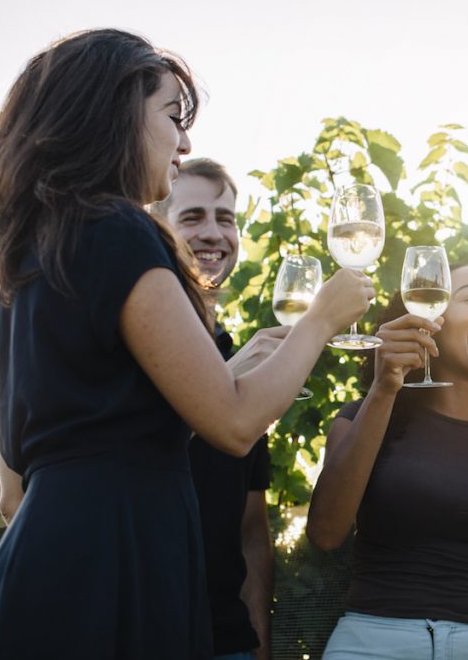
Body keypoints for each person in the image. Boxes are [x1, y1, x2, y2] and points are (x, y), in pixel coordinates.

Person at [0, 29, 374, 658]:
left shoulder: (23, 265)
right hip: (120, 567)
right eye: (172, 117)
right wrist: (322, 319)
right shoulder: (120, 230)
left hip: (43, 566)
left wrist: (234, 369)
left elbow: (23, 484)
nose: (185, 143)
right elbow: (237, 423)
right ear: (112, 116)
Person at [306, 263, 468, 660]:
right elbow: (326, 533)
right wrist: (384, 388)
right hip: (372, 645)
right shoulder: (362, 420)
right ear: (427, 321)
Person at [150, 158, 277, 660]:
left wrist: (258, 644)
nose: (213, 233)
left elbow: (251, 533)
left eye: (225, 219)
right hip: (136, 629)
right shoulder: (133, 343)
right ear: (158, 229)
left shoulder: (238, 357)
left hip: (226, 642)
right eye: (193, 217)